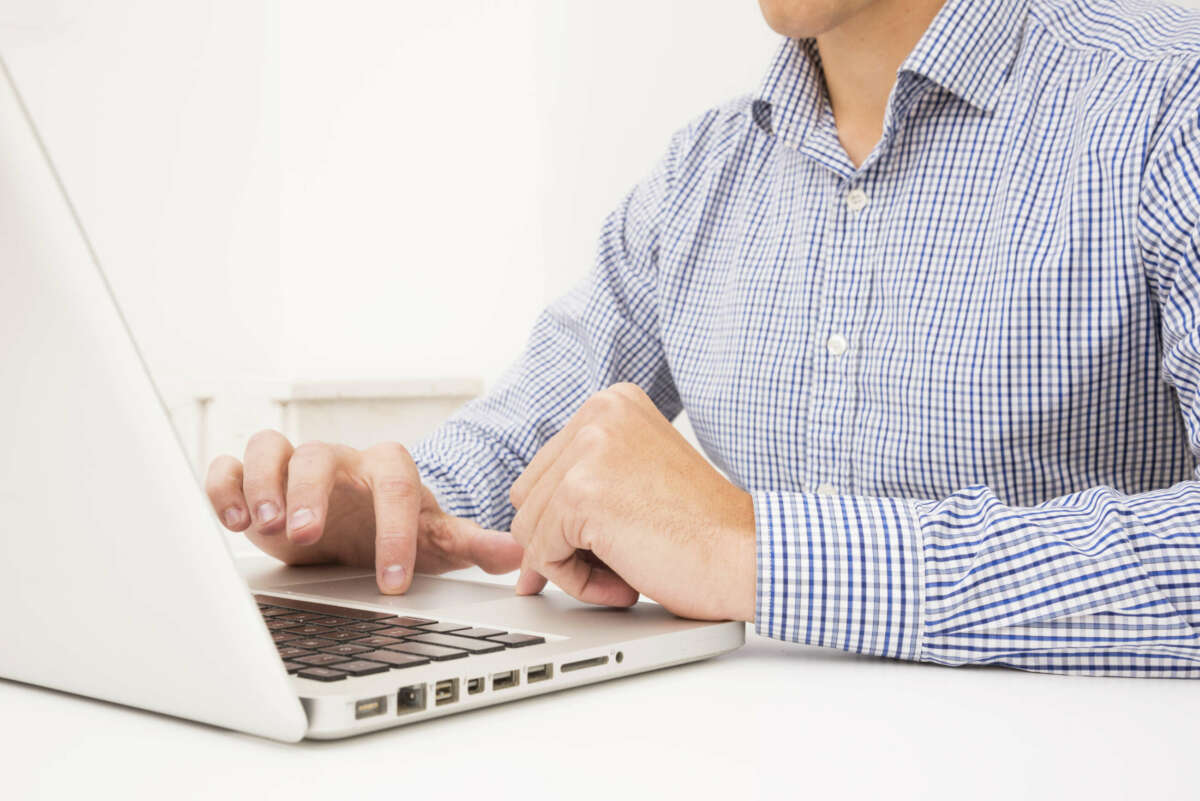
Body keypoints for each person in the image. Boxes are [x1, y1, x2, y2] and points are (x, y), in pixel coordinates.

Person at [205, 0, 1200, 677]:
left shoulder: (1170, 101)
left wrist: (757, 553)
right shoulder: (705, 172)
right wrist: (374, 510)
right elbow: (514, 450)